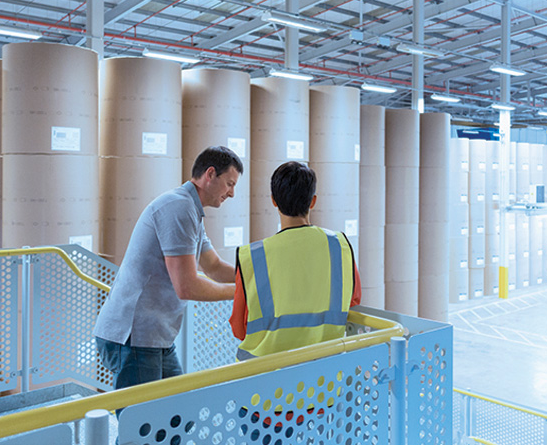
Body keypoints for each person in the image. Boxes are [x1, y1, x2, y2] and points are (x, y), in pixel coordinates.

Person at [94, 146, 242, 393]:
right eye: (229, 183)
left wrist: (256, 276)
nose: (232, 193)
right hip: (133, 338)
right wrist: (242, 293)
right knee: (146, 427)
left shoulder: (191, 211)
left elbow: (214, 266)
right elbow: (187, 286)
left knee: (176, 419)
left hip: (154, 337)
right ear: (210, 174)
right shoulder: (178, 208)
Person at [230, 161, 361, 360]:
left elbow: (239, 328)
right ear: (313, 201)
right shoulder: (340, 246)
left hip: (266, 378)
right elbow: (353, 299)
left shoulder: (252, 257)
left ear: (273, 200)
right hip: (326, 374)